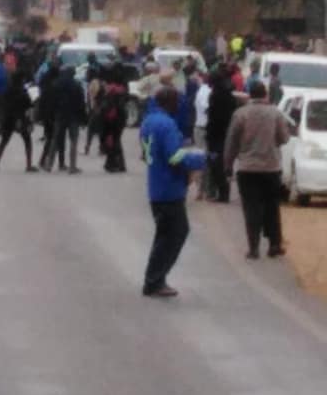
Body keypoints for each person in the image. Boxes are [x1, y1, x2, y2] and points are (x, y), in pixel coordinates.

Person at [140, 86, 206, 297]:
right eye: (177, 101)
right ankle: (154, 280)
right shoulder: (166, 124)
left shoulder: (148, 121)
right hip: (168, 188)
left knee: (165, 235)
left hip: (157, 186)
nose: (180, 105)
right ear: (170, 102)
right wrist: (200, 159)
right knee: (173, 234)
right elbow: (174, 157)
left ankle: (155, 278)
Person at [223, 81, 290, 259]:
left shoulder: (240, 114)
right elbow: (284, 138)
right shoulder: (276, 113)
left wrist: (228, 165)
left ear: (250, 95)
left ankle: (253, 248)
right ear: (265, 94)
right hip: (271, 168)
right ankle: (274, 245)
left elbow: (231, 142)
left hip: (247, 169)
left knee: (251, 208)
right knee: (271, 207)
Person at [0, 71, 38, 173]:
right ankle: (28, 165)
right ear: (22, 80)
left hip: (9, 119)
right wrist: (30, 121)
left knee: (4, 142)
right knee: (27, 141)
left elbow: (3, 105)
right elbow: (30, 105)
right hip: (20, 119)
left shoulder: (8, 91)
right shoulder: (23, 92)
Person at [45, 65, 85, 174]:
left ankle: (49, 165)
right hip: (73, 116)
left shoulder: (56, 84)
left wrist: (50, 114)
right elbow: (81, 103)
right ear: (73, 74)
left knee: (55, 140)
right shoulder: (76, 85)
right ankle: (72, 167)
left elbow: (52, 101)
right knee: (73, 141)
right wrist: (83, 119)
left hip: (60, 115)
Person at [206, 66, 236, 203]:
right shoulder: (228, 94)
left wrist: (210, 134)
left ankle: (223, 193)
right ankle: (223, 191)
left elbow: (214, 118)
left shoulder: (216, 95)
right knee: (222, 163)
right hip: (226, 133)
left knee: (216, 163)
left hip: (217, 135)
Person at [101, 64, 128, 173]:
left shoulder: (110, 89)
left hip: (112, 118)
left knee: (112, 140)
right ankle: (119, 164)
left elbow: (106, 105)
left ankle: (111, 164)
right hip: (121, 118)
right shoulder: (123, 89)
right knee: (116, 140)